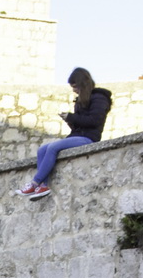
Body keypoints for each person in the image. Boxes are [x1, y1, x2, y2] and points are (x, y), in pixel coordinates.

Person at [17, 67, 112, 199]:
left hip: (89, 138)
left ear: (82, 84)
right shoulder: (81, 100)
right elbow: (79, 125)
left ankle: (35, 183)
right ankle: (43, 186)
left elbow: (94, 121)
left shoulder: (99, 98)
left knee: (53, 147)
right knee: (42, 150)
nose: (74, 90)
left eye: (75, 86)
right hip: (78, 135)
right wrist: (69, 120)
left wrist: (72, 117)